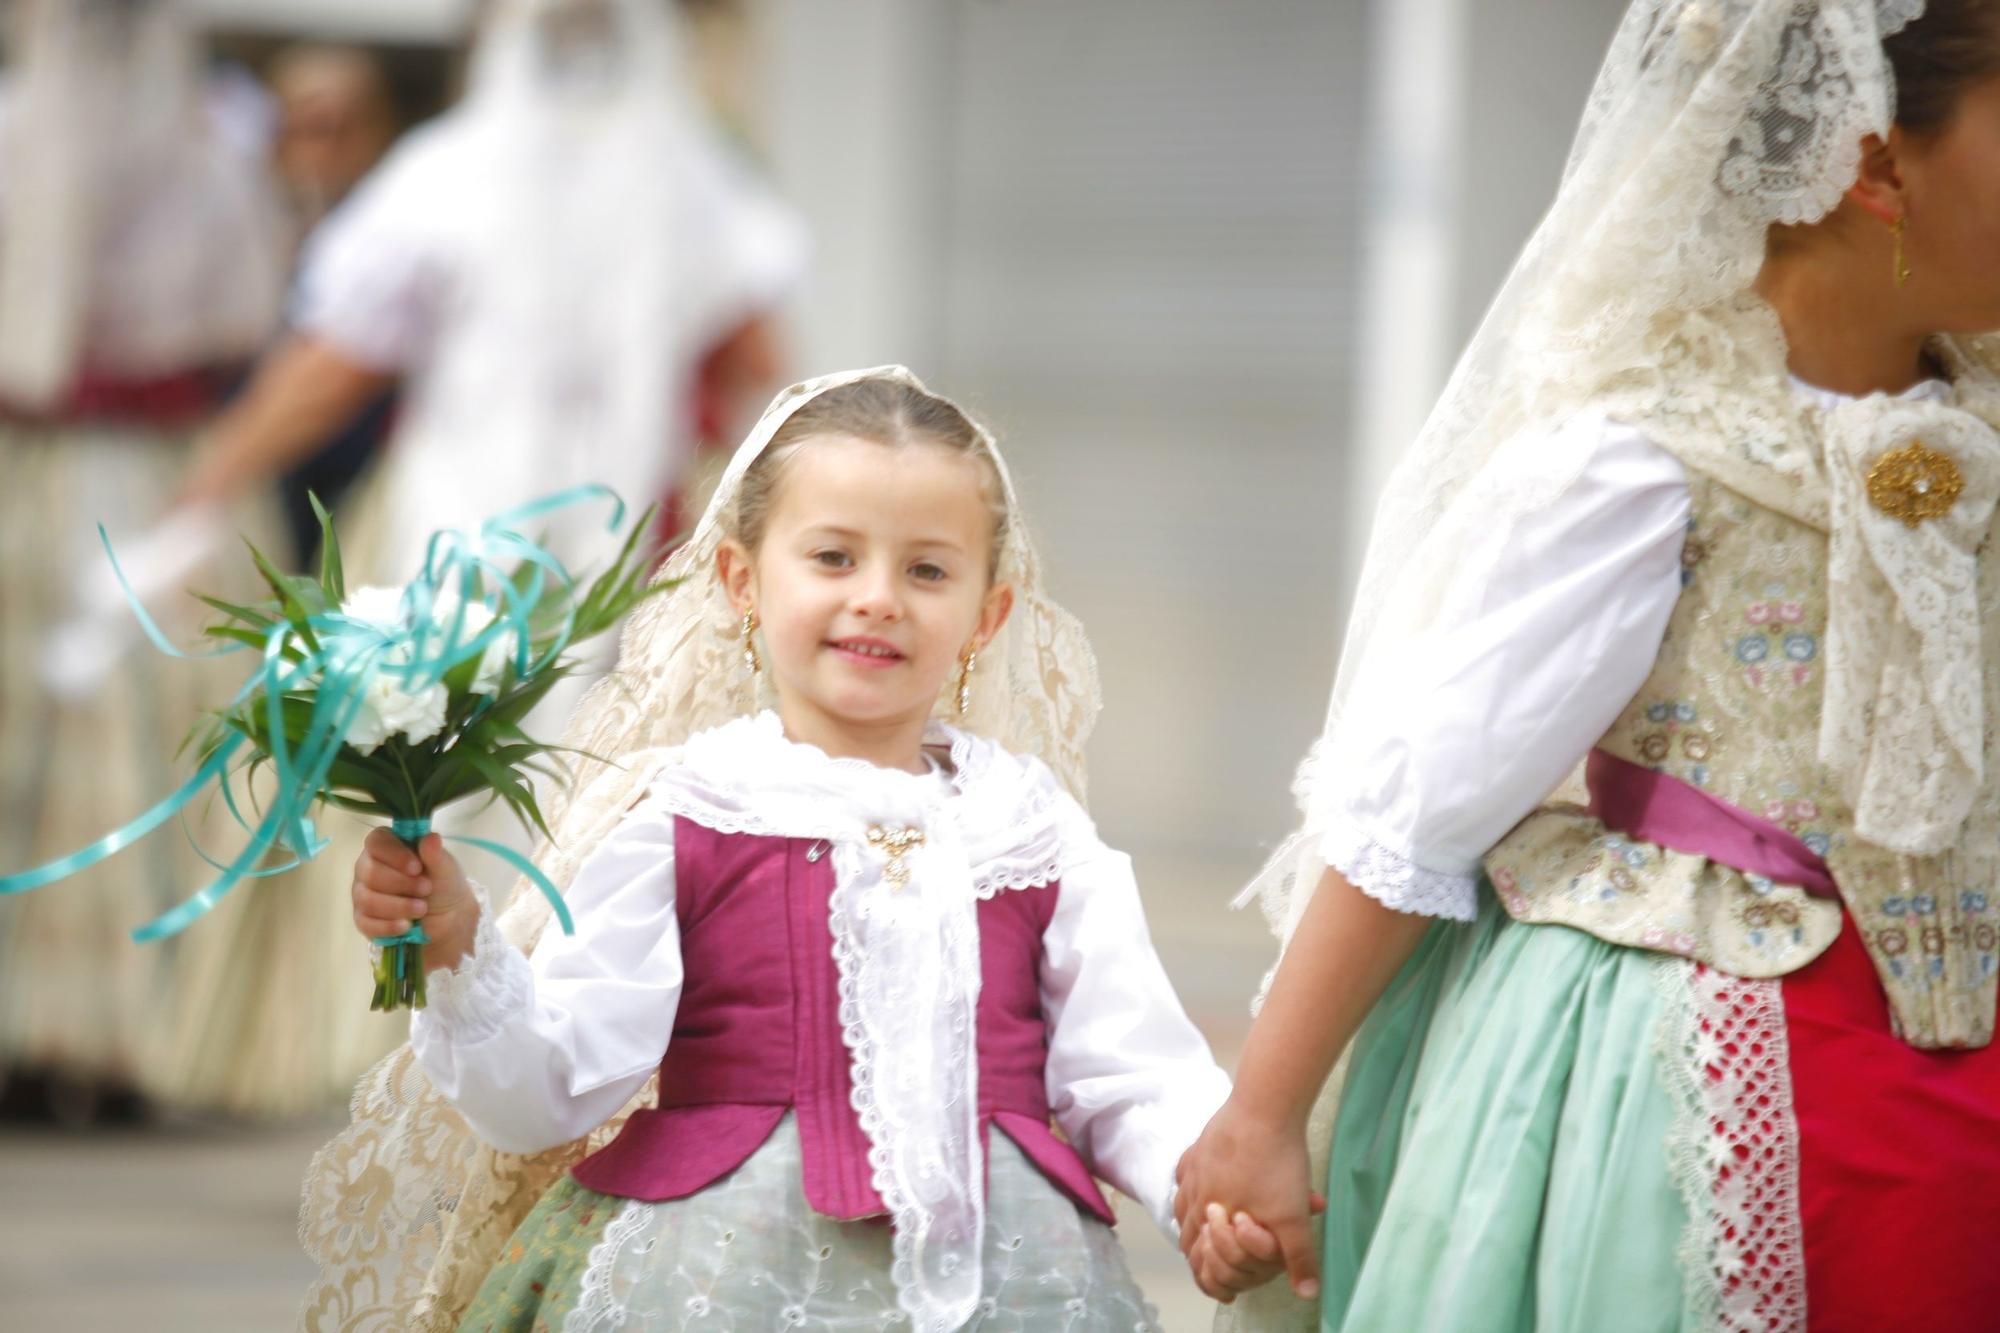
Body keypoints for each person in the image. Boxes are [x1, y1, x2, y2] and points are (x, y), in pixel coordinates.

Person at [1176, 2, 2000, 1329]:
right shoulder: (1642, 458)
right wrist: (1263, 1112)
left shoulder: (1980, 427)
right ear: (1876, 163)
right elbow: (1424, 796)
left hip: (1958, 1077)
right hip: (1686, 1067)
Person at [298, 368, 1234, 1331]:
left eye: (927, 570)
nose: (878, 598)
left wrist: (1208, 1187)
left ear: (986, 616)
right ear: (743, 581)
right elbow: (553, 1084)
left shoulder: (1028, 828)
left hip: (1013, 1283)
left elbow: (1131, 1071)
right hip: (718, 1280)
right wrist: (458, 947)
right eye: (833, 557)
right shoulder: (693, 812)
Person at [155, 0, 808, 1118]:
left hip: (586, 550)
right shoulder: (647, 174)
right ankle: (466, 1061)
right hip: (503, 537)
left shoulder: (524, 173)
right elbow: (755, 350)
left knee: (561, 788)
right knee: (477, 780)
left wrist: (212, 468)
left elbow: (340, 359)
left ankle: (513, 1062)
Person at [0, 0, 287, 1122]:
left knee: (160, 742)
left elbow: (241, 323)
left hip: (164, 484)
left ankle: (143, 1037)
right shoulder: (24, 134)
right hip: (36, 472)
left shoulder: (211, 159)